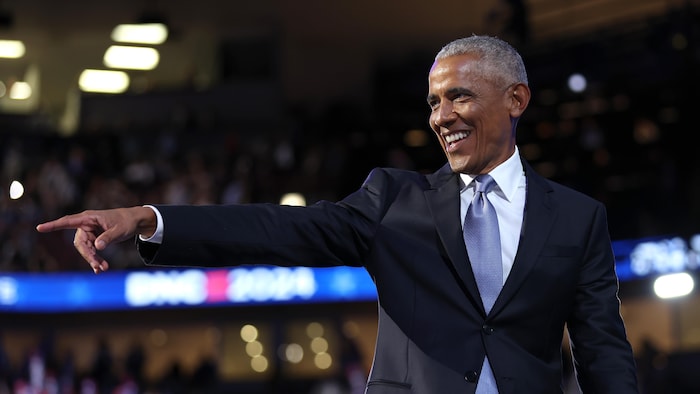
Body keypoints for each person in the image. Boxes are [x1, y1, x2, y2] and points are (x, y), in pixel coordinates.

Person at [36, 35, 639, 393]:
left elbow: (602, 349)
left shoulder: (578, 219)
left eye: (459, 96)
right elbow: (280, 229)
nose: (441, 116)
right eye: (433, 102)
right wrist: (148, 217)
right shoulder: (394, 201)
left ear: (516, 100)